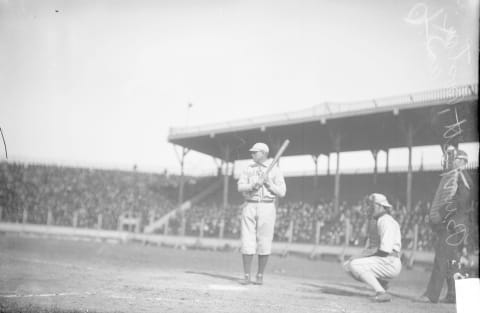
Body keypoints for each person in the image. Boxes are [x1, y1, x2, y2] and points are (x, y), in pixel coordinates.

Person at [419, 149, 474, 303]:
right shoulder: (459, 176)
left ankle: (431, 295)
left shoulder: (460, 175)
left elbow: (459, 200)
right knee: (452, 262)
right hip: (458, 225)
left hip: (453, 225)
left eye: (453, 158)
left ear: (462, 161)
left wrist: (440, 214)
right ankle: (453, 295)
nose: (449, 160)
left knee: (441, 258)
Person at [237, 142, 286, 285]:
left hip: (267, 206)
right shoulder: (248, 168)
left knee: (264, 241)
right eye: (252, 152)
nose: (252, 154)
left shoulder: (275, 170)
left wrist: (268, 183)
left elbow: (282, 192)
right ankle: (246, 275)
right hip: (250, 204)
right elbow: (240, 186)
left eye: (255, 152)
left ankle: (260, 275)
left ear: (264, 153)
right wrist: (253, 185)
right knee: (247, 240)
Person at [343, 193, 402, 302]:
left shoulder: (386, 221)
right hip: (385, 260)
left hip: (390, 261)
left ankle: (381, 292)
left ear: (381, 206)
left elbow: (385, 251)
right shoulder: (379, 220)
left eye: (372, 205)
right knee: (347, 266)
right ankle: (382, 283)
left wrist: (360, 256)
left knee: (354, 264)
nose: (369, 208)